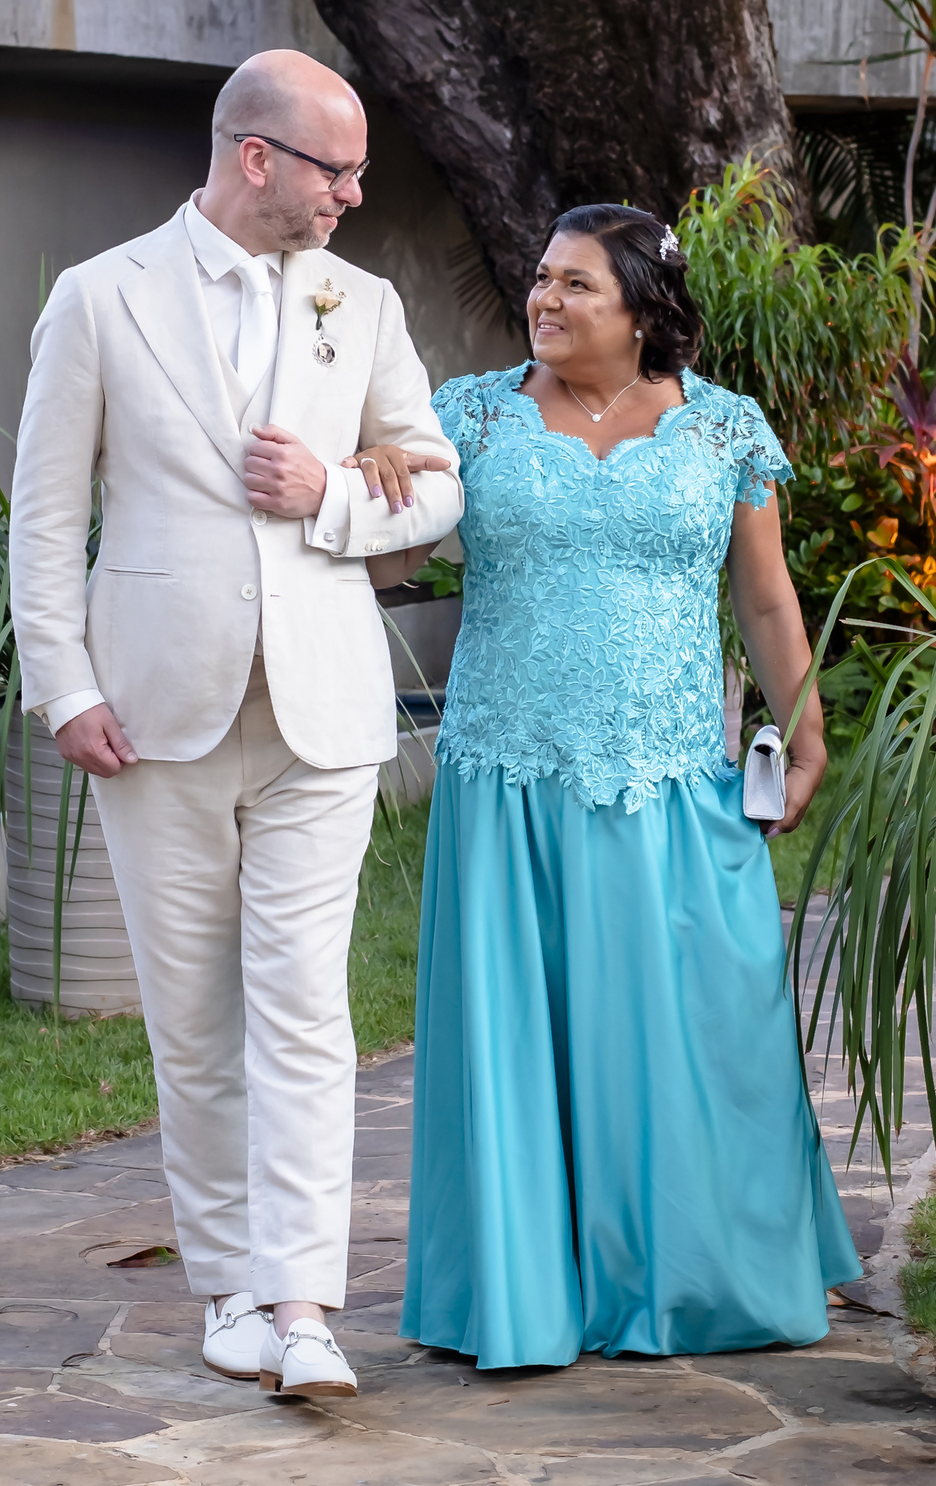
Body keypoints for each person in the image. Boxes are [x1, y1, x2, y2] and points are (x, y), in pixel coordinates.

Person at [7, 50, 463, 1399]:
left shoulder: (360, 303)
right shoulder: (98, 299)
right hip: (155, 716)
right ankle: (226, 1293)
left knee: (306, 1010)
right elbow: (44, 516)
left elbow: (435, 490)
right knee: (194, 1021)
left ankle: (303, 1304)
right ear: (256, 157)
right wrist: (66, 687)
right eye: (341, 169)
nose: (357, 193)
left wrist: (328, 492)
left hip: (324, 709)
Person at [368, 203, 861, 1369]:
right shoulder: (470, 418)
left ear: (644, 307)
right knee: (517, 1045)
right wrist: (379, 479)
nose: (545, 299)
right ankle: (525, 1294)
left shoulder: (724, 429)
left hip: (675, 778)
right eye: (541, 279)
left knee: (702, 1030)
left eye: (576, 284)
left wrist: (803, 731)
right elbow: (394, 561)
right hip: (510, 783)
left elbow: (768, 599)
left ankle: (699, 1281)